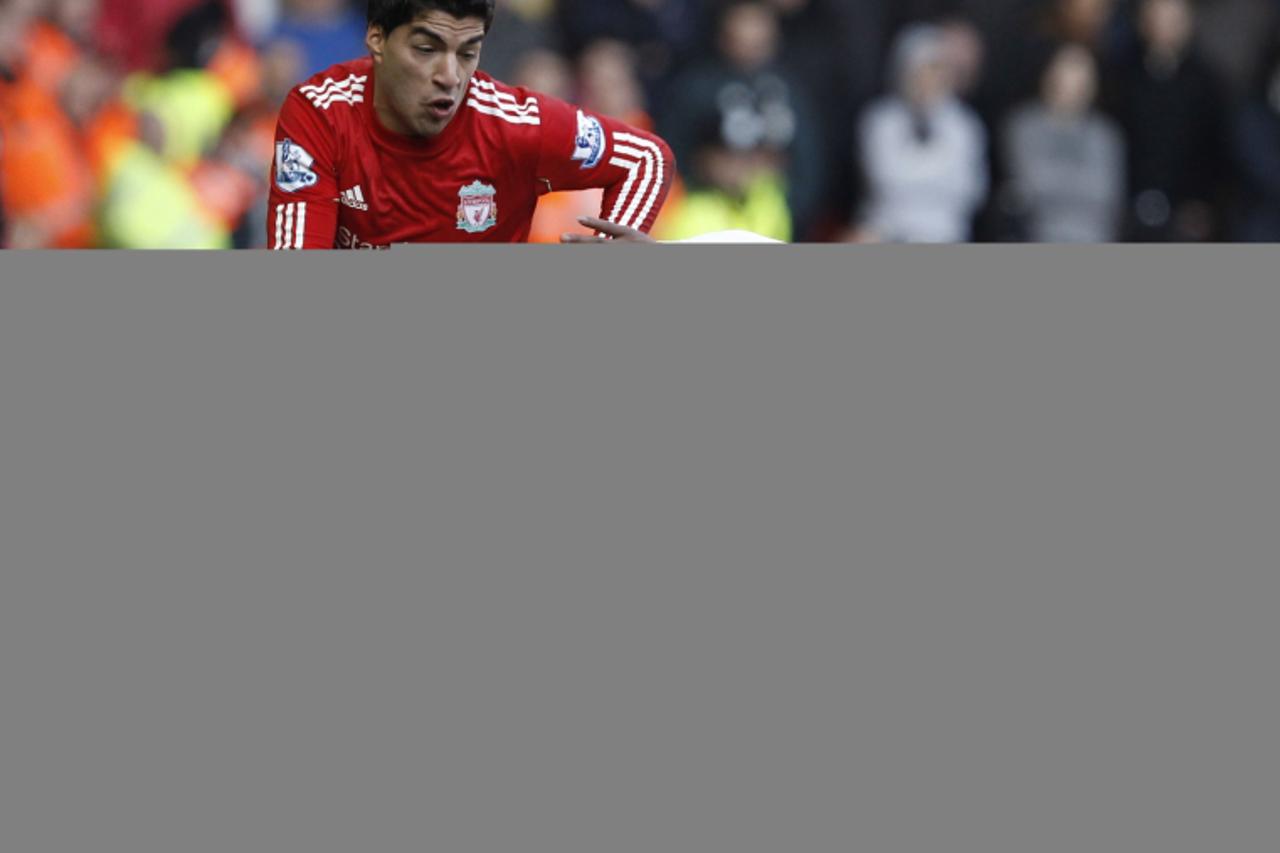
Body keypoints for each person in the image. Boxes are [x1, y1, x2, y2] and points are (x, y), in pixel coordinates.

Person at [266, 0, 674, 249]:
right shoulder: (319, 114)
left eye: (467, 53)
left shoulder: (515, 123)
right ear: (377, 39)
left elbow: (647, 157)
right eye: (426, 49)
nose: (450, 76)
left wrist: (615, 244)